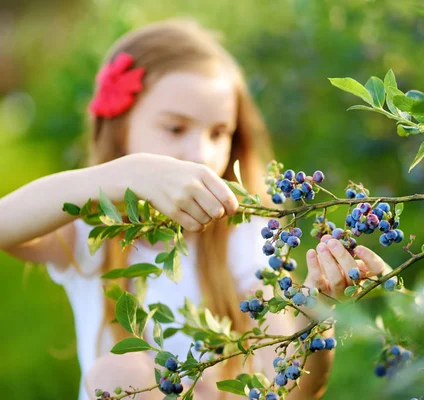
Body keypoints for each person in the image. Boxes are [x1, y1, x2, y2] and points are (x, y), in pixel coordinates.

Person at [0, 19, 387, 400]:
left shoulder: (243, 233)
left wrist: (313, 313)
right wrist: (124, 175)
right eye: (175, 129)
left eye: (218, 133)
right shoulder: (91, 226)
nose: (201, 154)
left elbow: (293, 388)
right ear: (121, 128)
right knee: (121, 372)